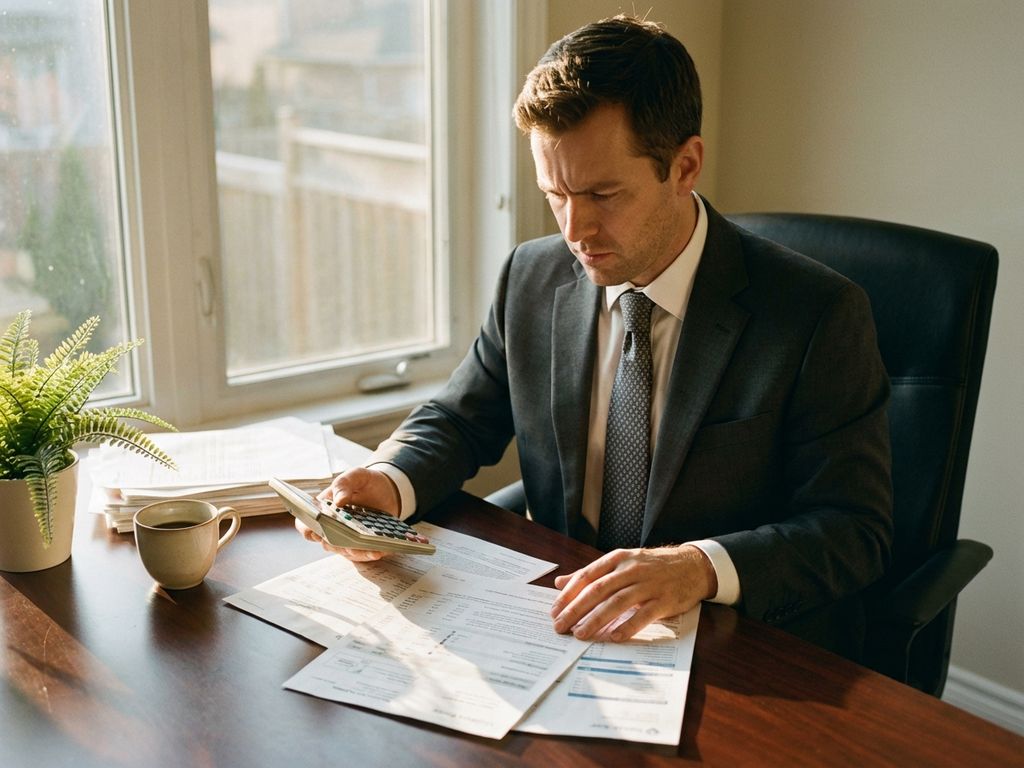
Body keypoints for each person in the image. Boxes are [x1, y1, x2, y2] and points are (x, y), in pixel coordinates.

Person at [297, 15, 893, 658]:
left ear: (685, 165)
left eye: (604, 193)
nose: (576, 230)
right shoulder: (531, 274)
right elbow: (462, 418)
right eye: (555, 193)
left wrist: (697, 566)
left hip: (732, 647)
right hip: (554, 616)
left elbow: (854, 531)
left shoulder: (817, 314)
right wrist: (390, 479)